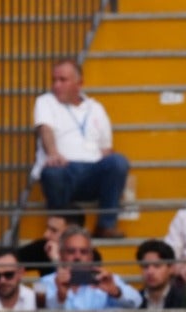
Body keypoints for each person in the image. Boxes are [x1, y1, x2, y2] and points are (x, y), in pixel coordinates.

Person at [33, 58, 130, 239]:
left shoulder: (96, 108)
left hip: (92, 171)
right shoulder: (45, 101)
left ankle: (105, 226)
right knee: (53, 172)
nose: (56, 85)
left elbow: (106, 149)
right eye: (54, 80)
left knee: (118, 162)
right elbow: (45, 129)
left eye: (63, 80)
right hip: (64, 169)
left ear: (79, 83)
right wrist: (53, 154)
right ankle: (60, 229)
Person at [42, 225, 140, 310]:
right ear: (61, 254)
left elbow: (136, 302)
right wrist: (60, 297)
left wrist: (116, 292)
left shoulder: (106, 280)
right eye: (71, 251)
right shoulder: (46, 282)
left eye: (83, 252)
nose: (77, 257)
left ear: (91, 256)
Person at [134, 239, 186, 309]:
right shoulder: (134, 301)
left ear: (171, 268)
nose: (150, 272)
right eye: (145, 266)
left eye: (157, 266)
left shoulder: (184, 300)